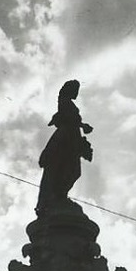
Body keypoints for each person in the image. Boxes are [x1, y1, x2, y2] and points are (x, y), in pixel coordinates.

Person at [36, 79, 94, 213]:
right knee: (66, 168)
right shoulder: (64, 101)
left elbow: (72, 119)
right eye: (75, 90)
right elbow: (68, 118)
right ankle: (58, 197)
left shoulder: (67, 103)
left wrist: (82, 126)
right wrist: (82, 125)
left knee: (73, 170)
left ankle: (61, 195)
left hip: (72, 137)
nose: (77, 93)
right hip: (66, 137)